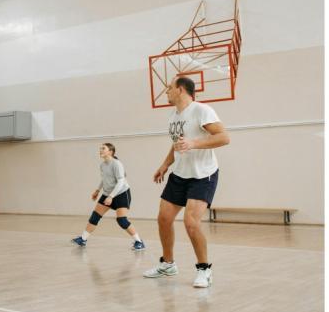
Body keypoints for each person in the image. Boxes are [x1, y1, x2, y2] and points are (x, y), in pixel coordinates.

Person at [144, 76, 230, 288]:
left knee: (191, 223)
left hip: (203, 175)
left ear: (181, 90)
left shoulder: (202, 110)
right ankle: (168, 264)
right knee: (163, 218)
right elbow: (176, 144)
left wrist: (194, 143)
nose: (166, 92)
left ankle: (204, 269)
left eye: (169, 89)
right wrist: (165, 164)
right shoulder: (173, 115)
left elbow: (223, 137)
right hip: (180, 174)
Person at [72, 143, 145, 250]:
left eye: (103, 148)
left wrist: (111, 196)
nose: (100, 150)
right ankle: (83, 239)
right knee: (95, 216)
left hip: (121, 193)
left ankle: (139, 242)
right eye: (100, 148)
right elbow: (104, 179)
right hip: (107, 194)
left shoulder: (116, 164)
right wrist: (97, 190)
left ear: (110, 152)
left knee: (122, 220)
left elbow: (121, 181)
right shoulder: (102, 165)